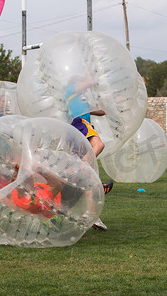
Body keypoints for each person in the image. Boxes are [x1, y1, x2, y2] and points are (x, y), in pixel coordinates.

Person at [66, 76, 113, 230]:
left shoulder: (82, 99)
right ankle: (80, 169)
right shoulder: (69, 90)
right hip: (79, 124)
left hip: (78, 131)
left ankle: (93, 216)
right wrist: (93, 79)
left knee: (90, 178)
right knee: (98, 145)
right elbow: (88, 82)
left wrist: (99, 97)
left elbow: (101, 111)